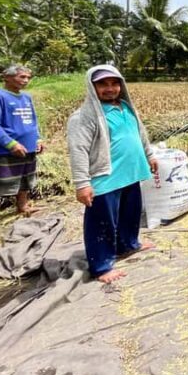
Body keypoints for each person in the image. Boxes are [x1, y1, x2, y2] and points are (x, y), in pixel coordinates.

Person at [67, 66, 158, 283]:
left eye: (114, 83)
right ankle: (101, 265)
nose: (110, 89)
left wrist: (149, 155)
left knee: (130, 214)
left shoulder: (126, 107)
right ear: (92, 86)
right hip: (106, 177)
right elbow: (78, 149)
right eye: (103, 84)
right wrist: (82, 183)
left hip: (131, 173)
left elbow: (140, 134)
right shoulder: (84, 116)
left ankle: (129, 244)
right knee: (102, 223)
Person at [0, 65, 44, 215]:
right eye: (22, 77)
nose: (26, 80)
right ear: (7, 77)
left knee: (25, 179)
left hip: (29, 147)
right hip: (8, 149)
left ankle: (23, 207)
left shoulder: (26, 97)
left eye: (28, 77)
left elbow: (33, 121)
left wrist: (38, 140)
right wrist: (10, 143)